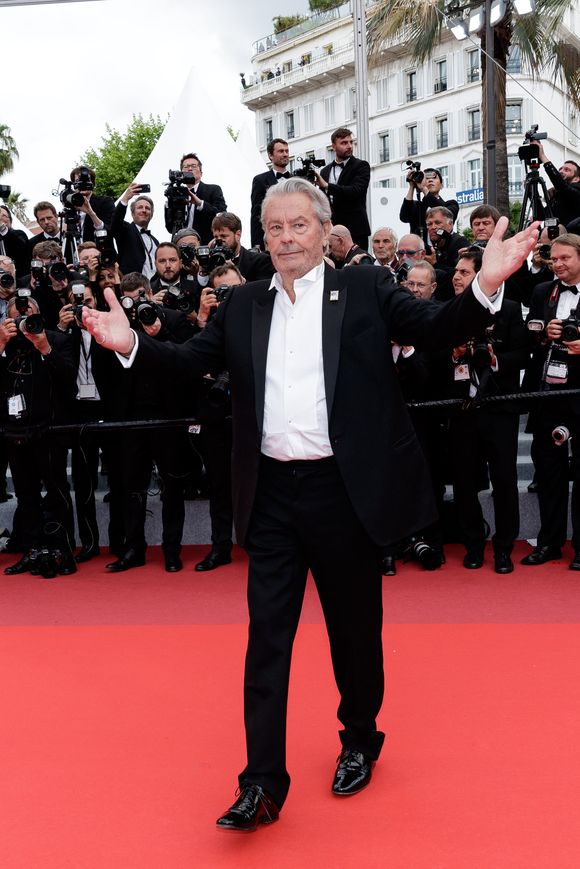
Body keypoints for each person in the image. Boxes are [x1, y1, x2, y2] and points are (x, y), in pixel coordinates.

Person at [83, 177, 539, 832]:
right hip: (270, 495)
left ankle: (359, 736)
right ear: (261, 237)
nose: (285, 238)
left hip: (342, 492)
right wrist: (128, 343)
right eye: (273, 227)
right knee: (266, 637)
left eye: (298, 225)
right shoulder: (241, 306)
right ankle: (262, 781)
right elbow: (186, 362)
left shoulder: (362, 290)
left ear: (325, 231)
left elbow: (437, 328)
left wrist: (485, 288)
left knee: (354, 631)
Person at [521, 233, 580, 569]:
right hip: (548, 394)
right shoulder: (543, 291)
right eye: (554, 259)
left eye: (565, 258)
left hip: (579, 395)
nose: (557, 264)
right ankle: (549, 543)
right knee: (548, 472)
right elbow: (531, 336)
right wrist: (545, 334)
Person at [315, 127, 371, 250]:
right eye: (344, 143)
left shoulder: (361, 166)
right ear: (333, 146)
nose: (349, 146)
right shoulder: (325, 171)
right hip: (332, 231)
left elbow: (356, 191)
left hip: (355, 230)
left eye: (351, 142)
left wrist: (327, 186)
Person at [164, 153, 227, 243]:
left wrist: (200, 203)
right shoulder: (176, 194)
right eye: (186, 167)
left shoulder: (213, 190)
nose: (189, 169)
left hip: (205, 245)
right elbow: (170, 228)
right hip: (180, 246)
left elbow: (222, 215)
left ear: (201, 173)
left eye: (193, 166)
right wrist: (169, 201)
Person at [400, 167, 459, 248]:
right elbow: (404, 217)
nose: (430, 180)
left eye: (434, 178)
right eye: (426, 178)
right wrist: (412, 186)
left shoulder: (451, 204)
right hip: (420, 253)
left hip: (445, 251)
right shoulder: (417, 206)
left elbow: (442, 212)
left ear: (441, 185)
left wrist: (424, 189)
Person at [111, 182, 158, 278]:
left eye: (148, 208)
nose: (144, 210)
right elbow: (115, 222)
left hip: (155, 287)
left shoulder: (155, 241)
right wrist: (125, 199)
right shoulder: (125, 230)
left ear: (151, 214)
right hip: (133, 286)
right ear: (132, 213)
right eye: (140, 207)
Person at [250, 138, 290, 250]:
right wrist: (256, 244)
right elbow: (256, 214)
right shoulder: (260, 180)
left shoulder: (295, 180)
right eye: (281, 151)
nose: (285, 154)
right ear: (270, 155)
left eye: (287, 151)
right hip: (270, 237)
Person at [211, 212, 274, 281]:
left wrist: (236, 274)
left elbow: (263, 290)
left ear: (238, 235)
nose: (219, 241)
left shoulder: (260, 261)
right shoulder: (213, 262)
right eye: (216, 237)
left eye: (223, 236)